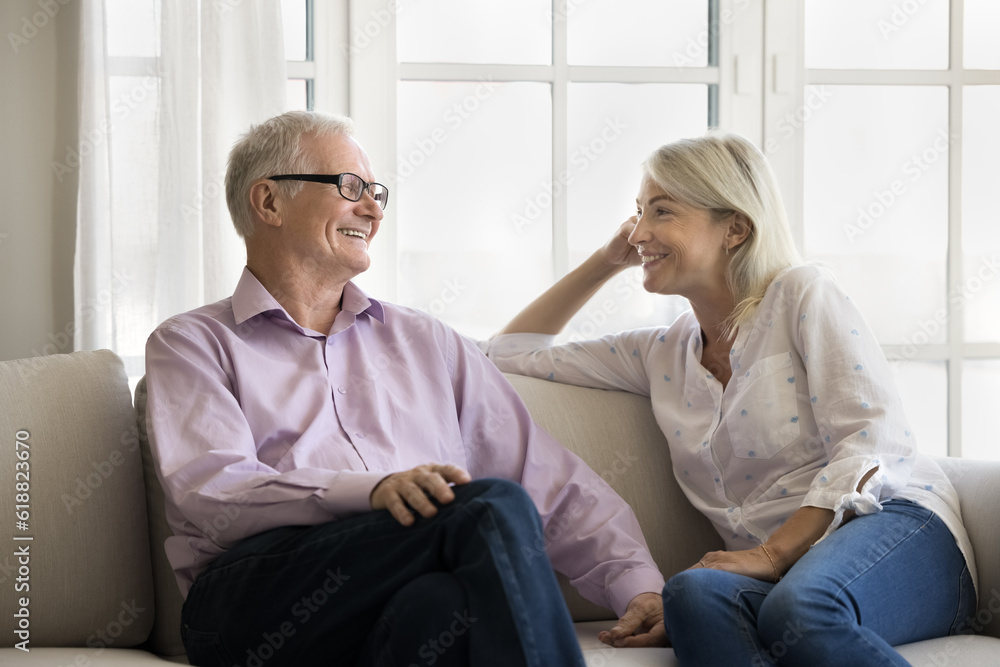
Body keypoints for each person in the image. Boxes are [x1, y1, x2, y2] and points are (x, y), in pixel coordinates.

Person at [143, 110, 667, 667]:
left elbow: (546, 479)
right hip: (251, 595)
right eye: (350, 187)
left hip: (396, 584)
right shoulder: (191, 343)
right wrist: (370, 491)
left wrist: (637, 585)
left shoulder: (426, 340)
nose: (371, 209)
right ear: (269, 202)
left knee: (440, 606)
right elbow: (215, 492)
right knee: (484, 509)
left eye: (376, 193)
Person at [483, 132, 978, 665]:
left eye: (663, 211)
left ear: (735, 229)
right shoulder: (659, 352)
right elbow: (507, 353)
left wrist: (773, 552)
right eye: (637, 213)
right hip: (782, 574)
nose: (640, 232)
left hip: (892, 529)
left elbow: (874, 444)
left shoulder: (802, 294)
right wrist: (606, 262)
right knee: (691, 595)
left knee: (803, 609)